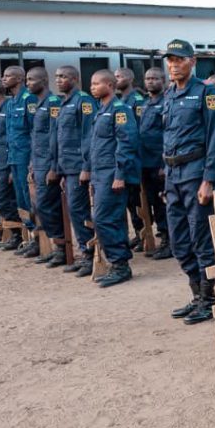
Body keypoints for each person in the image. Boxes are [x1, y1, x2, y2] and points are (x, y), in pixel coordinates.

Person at [162, 39, 215, 324]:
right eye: (170, 60)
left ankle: (209, 297)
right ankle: (196, 292)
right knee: (178, 240)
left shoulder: (206, 92)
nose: (174, 65)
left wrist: (209, 179)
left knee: (201, 239)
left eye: (180, 60)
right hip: (173, 176)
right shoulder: (169, 94)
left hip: (195, 173)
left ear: (193, 62)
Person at [84, 70, 139, 287]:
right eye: (91, 83)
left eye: (97, 83)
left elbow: (127, 143)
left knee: (104, 218)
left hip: (112, 174)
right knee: (107, 218)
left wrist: (120, 174)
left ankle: (120, 264)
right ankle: (118, 263)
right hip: (99, 174)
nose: (93, 87)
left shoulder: (120, 110)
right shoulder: (100, 111)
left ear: (109, 85)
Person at [49, 66, 96, 275]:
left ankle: (89, 254)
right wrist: (59, 168)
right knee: (74, 209)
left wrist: (86, 166)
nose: (58, 80)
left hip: (79, 166)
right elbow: (60, 139)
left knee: (79, 209)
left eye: (63, 76)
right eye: (57, 77)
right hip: (67, 167)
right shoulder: (63, 102)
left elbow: (88, 135)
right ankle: (85, 250)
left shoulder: (83, 101)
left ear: (75, 79)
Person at [26, 68, 67, 267]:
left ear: (43, 80)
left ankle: (61, 246)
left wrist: (53, 167)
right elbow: (37, 138)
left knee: (47, 205)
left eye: (31, 80)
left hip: (49, 164)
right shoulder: (38, 104)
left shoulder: (53, 104)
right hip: (39, 162)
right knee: (39, 206)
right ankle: (58, 245)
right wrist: (33, 164)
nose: (28, 83)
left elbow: (56, 137)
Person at [138, 67, 171, 259]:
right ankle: (162, 238)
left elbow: (168, 134)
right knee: (151, 202)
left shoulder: (166, 103)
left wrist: (163, 164)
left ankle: (169, 241)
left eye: (154, 78)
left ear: (163, 80)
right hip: (146, 162)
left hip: (159, 163)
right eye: (147, 78)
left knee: (162, 204)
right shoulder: (146, 103)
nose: (150, 82)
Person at [3, 66, 37, 253]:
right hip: (14, 157)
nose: (4, 79)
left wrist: (33, 159)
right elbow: (10, 133)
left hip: (25, 157)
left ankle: (38, 238)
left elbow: (33, 131)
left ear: (20, 78)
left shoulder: (28, 99)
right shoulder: (10, 102)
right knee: (20, 197)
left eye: (8, 76)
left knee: (28, 195)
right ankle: (30, 236)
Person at [0, 77, 22, 251]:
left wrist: (9, 168)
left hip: (8, 163)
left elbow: (11, 138)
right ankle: (16, 234)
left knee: (2, 200)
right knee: (3, 199)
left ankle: (18, 233)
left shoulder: (8, 107)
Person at [116, 67, 147, 251]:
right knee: (129, 202)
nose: (116, 78)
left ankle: (144, 233)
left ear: (129, 78)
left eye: (119, 76)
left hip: (135, 158)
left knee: (137, 201)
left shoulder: (137, 100)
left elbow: (140, 131)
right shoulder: (121, 101)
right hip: (125, 159)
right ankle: (138, 233)